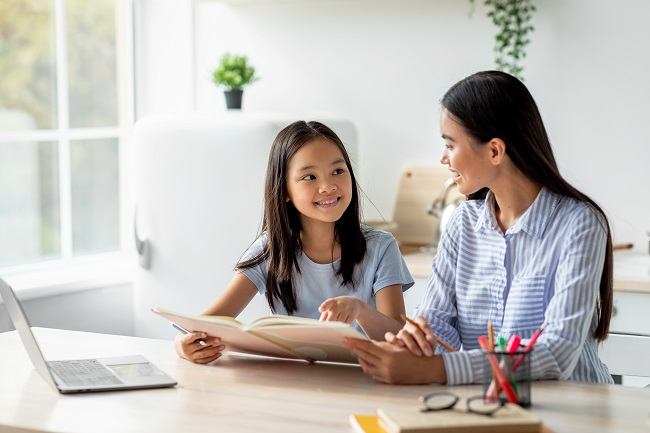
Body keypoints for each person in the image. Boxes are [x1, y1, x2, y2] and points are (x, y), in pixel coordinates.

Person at [344, 70, 614, 385]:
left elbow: (556, 353)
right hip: (488, 409)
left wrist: (436, 370)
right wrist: (416, 341)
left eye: (449, 145)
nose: (443, 158)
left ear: (495, 150)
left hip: (575, 414)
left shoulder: (579, 224)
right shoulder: (463, 223)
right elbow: (438, 323)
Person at [176, 120, 414, 364]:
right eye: (310, 176)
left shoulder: (381, 248)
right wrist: (183, 344)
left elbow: (399, 339)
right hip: (291, 381)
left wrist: (360, 310)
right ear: (285, 191)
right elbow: (205, 324)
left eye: (338, 171)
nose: (328, 186)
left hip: (363, 381)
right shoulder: (270, 249)